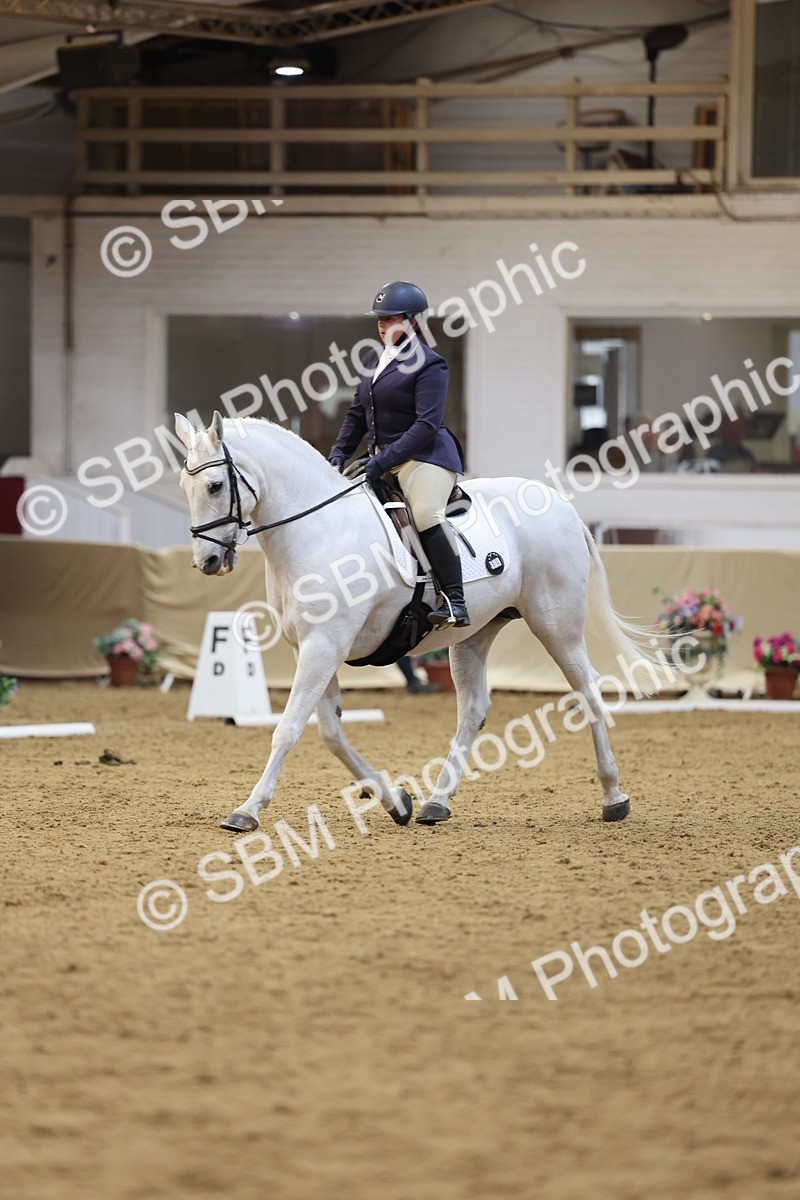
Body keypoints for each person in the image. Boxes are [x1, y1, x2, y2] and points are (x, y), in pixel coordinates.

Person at [328, 280, 469, 628]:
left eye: (390, 319)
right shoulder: (371, 358)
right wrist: (338, 454)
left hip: (423, 456)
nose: (382, 325)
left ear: (412, 321)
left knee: (425, 514)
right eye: (380, 319)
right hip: (380, 456)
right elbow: (357, 414)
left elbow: (426, 425)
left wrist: (380, 462)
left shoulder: (430, 363)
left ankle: (455, 600)